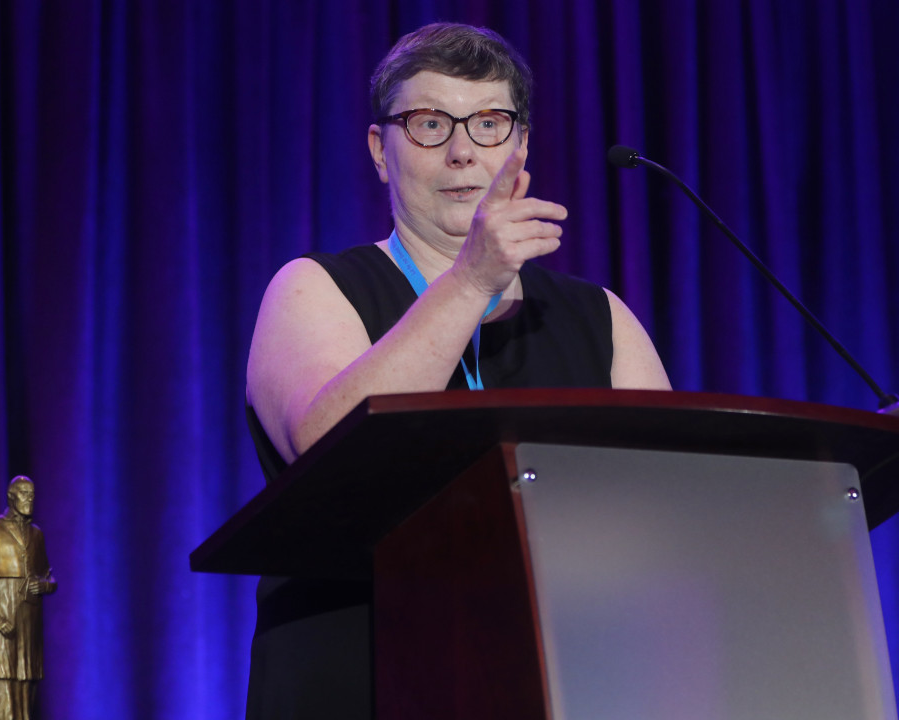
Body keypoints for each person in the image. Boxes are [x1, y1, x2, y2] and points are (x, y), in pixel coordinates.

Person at [243, 22, 670, 719]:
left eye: (490, 123)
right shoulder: (313, 289)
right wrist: (471, 282)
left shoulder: (602, 317)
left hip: (563, 680)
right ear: (382, 151)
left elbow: (667, 505)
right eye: (430, 123)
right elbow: (332, 451)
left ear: (523, 145)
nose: (464, 152)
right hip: (364, 679)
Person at [0, 476, 57, 720]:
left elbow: (50, 577)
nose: (30, 498)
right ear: (11, 497)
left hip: (28, 632)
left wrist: (44, 587)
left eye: (32, 494)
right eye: (24, 493)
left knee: (25, 693)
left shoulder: (37, 536)